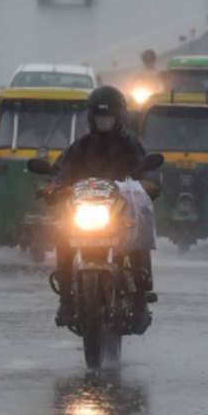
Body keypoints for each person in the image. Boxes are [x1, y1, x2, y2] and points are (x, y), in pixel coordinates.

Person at [47, 85, 160, 330]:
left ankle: (140, 297)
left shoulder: (130, 145)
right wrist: (52, 185)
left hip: (118, 211)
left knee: (137, 232)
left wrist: (149, 182)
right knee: (63, 234)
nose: (105, 123)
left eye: (109, 118)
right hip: (85, 211)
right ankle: (66, 297)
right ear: (91, 118)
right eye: (100, 118)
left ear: (119, 117)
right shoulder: (82, 146)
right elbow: (61, 170)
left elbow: (146, 167)